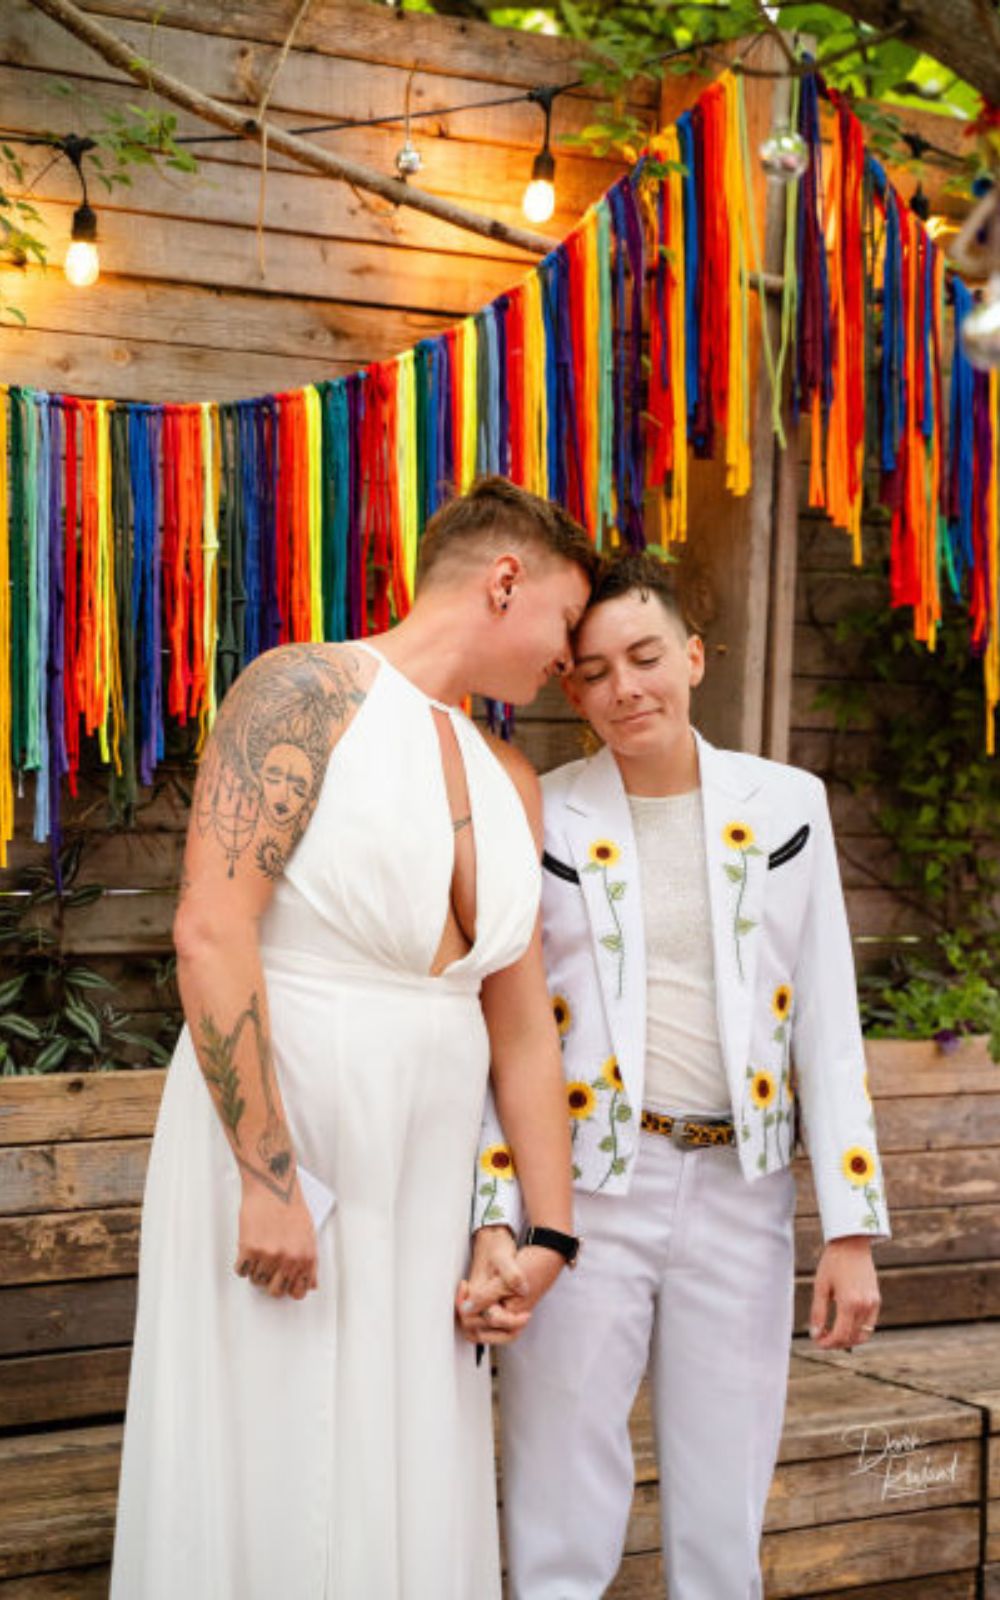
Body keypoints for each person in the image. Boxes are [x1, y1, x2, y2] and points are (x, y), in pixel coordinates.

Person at [110, 477, 598, 1600]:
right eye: (567, 629)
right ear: (504, 579)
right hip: (287, 1150)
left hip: (423, 1183)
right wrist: (270, 1176)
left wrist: (539, 1233)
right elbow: (210, 925)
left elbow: (520, 1030)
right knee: (272, 1449)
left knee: (404, 1453)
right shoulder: (305, 689)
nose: (567, 664)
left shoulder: (508, 777)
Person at [463, 551, 890, 1599]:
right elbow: (499, 1032)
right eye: (596, 670)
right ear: (572, 688)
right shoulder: (542, 813)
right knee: (559, 1493)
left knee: (723, 1502)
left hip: (741, 1192)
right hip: (585, 1193)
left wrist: (847, 1229)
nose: (625, 688)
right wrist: (497, 1210)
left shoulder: (788, 805)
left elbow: (826, 1021)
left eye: (646, 657)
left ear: (692, 657)